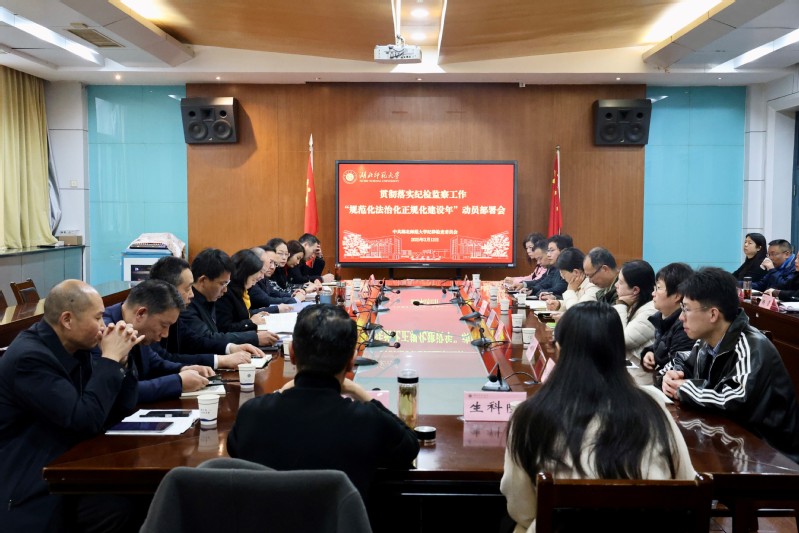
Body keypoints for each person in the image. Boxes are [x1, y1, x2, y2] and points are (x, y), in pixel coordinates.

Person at [501, 301, 695, 533]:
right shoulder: (655, 411)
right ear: (618, 351)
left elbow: (521, 509)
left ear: (559, 348)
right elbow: (687, 485)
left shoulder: (529, 417)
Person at [227, 304, 419, 499]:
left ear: (292, 353)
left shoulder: (253, 414)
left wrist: (282, 391)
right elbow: (410, 446)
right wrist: (357, 391)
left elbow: (234, 448)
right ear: (351, 362)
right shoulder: (368, 420)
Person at [0, 280, 142, 531]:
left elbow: (119, 409)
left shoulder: (76, 347)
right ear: (67, 320)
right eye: (98, 318)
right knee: (120, 507)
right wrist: (109, 360)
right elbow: (84, 419)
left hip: (70, 459)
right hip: (30, 476)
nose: (103, 326)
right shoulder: (29, 358)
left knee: (136, 498)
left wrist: (121, 361)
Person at [662, 267, 799, 462]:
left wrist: (684, 389)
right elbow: (683, 360)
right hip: (731, 441)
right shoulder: (705, 341)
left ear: (713, 314)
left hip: (770, 455)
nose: (681, 317)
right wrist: (672, 375)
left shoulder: (752, 346)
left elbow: (733, 399)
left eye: (686, 309)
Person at [102, 280, 214, 402]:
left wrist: (182, 369)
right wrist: (178, 382)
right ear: (141, 313)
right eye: (164, 325)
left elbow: (153, 362)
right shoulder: (106, 332)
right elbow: (120, 393)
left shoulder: (137, 328)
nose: (166, 334)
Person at [150, 255, 259, 367]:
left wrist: (230, 348)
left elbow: (195, 341)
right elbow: (164, 359)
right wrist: (220, 360)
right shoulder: (153, 317)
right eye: (187, 289)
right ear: (167, 289)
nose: (192, 294)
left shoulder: (179, 312)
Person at [177, 248, 279, 354]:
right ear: (203, 280)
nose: (225, 290)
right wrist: (253, 337)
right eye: (222, 284)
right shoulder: (187, 304)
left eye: (227, 284)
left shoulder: (209, 298)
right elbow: (207, 338)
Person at [641, 263, 695, 388]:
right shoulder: (663, 317)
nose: (653, 294)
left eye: (658, 288)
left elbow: (676, 370)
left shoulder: (684, 327)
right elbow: (663, 346)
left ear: (677, 295)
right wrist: (649, 352)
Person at [613, 260, 658, 384]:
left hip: (641, 380)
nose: (616, 285)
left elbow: (621, 340)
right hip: (630, 372)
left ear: (635, 290)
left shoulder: (651, 311)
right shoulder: (635, 304)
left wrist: (621, 304)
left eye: (620, 282)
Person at [216, 249, 270, 333]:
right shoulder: (226, 292)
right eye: (253, 279)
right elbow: (224, 328)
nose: (260, 277)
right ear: (244, 274)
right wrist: (250, 322)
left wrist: (254, 315)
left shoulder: (241, 290)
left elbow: (240, 314)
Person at [247, 247, 296, 313]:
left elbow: (273, 292)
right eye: (270, 262)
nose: (272, 267)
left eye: (275, 264)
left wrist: (292, 295)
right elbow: (264, 300)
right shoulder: (248, 281)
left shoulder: (264, 277)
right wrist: (292, 300)